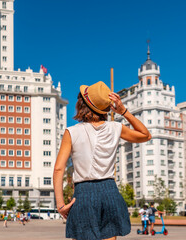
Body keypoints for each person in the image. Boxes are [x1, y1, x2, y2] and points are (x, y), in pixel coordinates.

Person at [53, 81, 151, 240]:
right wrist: (124, 111)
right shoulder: (115, 128)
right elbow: (145, 135)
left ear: (81, 105)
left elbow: (59, 169)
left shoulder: (71, 132)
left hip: (84, 193)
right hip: (109, 191)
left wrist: (60, 204)